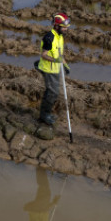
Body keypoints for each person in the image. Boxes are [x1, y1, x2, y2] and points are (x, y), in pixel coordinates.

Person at [36, 12, 70, 140]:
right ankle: (44, 115)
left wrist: (65, 65)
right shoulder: (49, 38)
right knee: (53, 92)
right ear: (56, 26)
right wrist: (56, 62)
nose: (66, 29)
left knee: (51, 92)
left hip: (55, 69)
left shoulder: (59, 36)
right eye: (64, 27)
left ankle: (44, 114)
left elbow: (60, 55)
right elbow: (43, 55)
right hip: (48, 69)